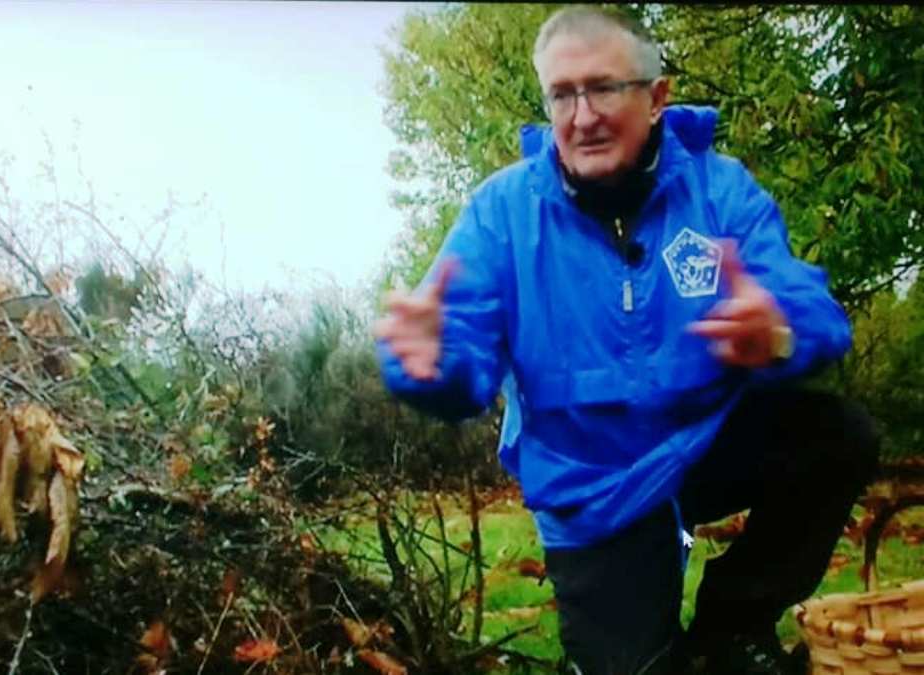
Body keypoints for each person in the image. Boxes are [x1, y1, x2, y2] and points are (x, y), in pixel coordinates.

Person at [373, 6, 878, 675]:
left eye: (604, 87)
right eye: (562, 94)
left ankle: (733, 622)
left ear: (657, 96)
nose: (582, 116)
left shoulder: (720, 190)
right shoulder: (501, 213)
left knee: (839, 433)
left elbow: (806, 306)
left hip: (707, 440)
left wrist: (778, 334)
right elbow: (460, 350)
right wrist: (428, 365)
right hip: (593, 485)